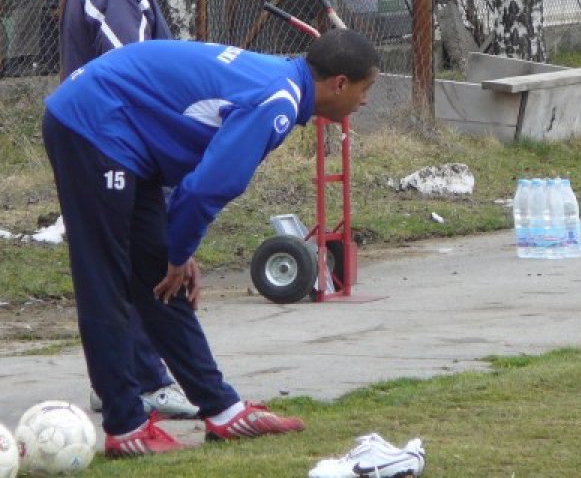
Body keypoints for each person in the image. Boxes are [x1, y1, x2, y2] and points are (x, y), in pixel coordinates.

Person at [42, 29, 379, 457]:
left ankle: (220, 409)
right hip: (92, 123)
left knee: (157, 273)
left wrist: (176, 248)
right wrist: (179, 251)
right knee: (105, 279)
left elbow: (191, 178)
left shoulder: (283, 82)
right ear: (340, 84)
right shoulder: (276, 102)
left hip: (127, 136)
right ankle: (125, 426)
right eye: (366, 90)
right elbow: (207, 189)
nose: (365, 101)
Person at [59, 0, 197, 420]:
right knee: (134, 266)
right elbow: (136, 80)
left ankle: (117, 377)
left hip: (118, 147)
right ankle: (142, 379)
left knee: (122, 266)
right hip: (113, 148)